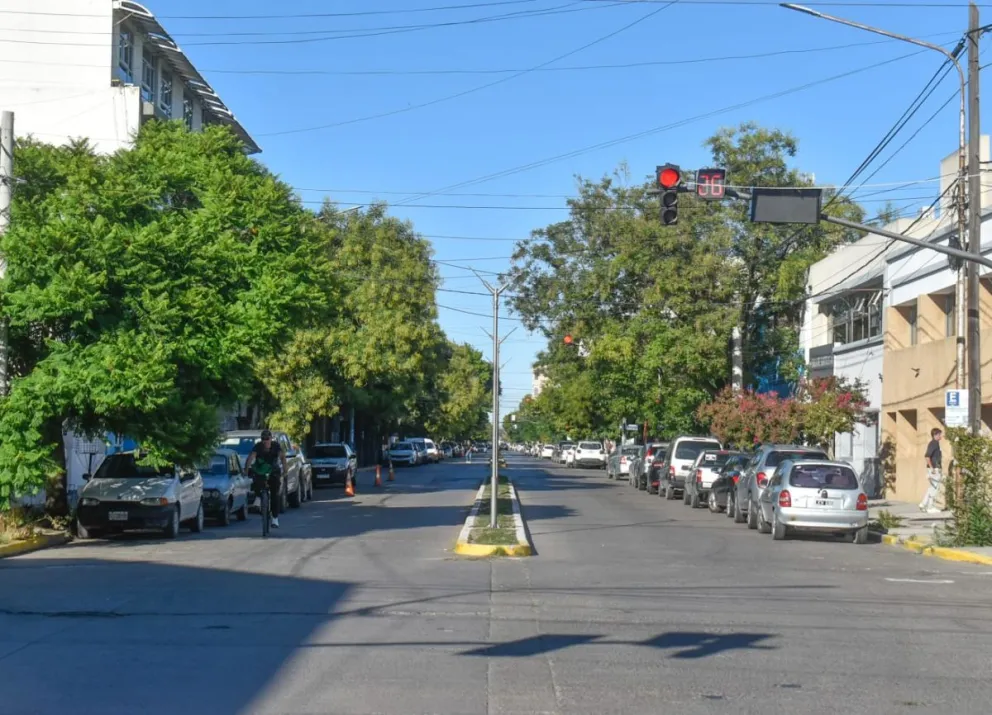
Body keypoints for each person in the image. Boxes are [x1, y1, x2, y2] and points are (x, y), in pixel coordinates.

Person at [244, 429, 288, 529]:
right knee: (256, 480)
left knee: (275, 494)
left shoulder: (276, 446)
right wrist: (246, 470)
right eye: (263, 439)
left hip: (274, 471)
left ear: (271, 439)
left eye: (267, 439)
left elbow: (283, 457)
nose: (265, 441)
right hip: (261, 470)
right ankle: (259, 497)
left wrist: (285, 470)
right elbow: (250, 457)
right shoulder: (258, 446)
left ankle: (275, 519)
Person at [919, 427, 944, 514]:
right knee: (935, 488)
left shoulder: (935, 443)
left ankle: (923, 504)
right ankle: (930, 507)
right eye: (940, 434)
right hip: (934, 469)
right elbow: (927, 456)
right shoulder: (934, 443)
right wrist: (932, 468)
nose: (941, 436)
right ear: (935, 435)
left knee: (932, 487)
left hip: (935, 468)